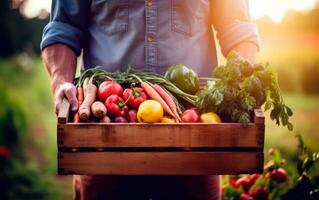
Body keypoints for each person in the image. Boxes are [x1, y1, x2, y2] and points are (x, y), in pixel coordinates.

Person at [41, 0, 260, 199]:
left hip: (194, 137)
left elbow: (237, 28)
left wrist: (241, 81)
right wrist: (61, 81)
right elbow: (63, 28)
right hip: (103, 132)